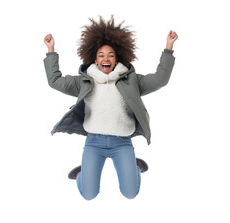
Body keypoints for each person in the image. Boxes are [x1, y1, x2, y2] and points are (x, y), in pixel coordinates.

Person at [43, 16, 178, 200]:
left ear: (117, 59)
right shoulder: (84, 80)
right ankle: (84, 174)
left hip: (122, 143)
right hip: (94, 142)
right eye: (101, 55)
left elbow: (160, 79)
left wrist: (168, 48)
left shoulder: (131, 80)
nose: (106, 58)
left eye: (111, 55)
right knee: (89, 194)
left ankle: (133, 167)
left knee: (130, 193)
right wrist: (51, 51)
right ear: (95, 59)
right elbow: (55, 81)